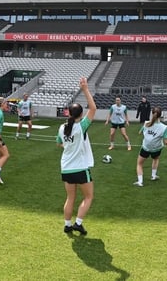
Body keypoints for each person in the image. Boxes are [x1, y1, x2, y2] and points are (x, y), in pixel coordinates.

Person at [57, 77, 97, 236]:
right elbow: (93, 108)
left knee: (70, 198)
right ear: (80, 114)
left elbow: (60, 143)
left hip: (66, 167)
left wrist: (70, 146)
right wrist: (85, 89)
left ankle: (67, 225)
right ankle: (78, 224)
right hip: (80, 167)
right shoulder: (81, 126)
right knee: (88, 197)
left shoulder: (62, 127)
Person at [133, 107, 167, 187]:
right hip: (156, 148)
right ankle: (153, 176)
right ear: (160, 115)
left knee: (139, 164)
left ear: (152, 113)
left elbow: (140, 132)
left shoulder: (146, 123)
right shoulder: (163, 127)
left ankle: (140, 181)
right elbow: (166, 141)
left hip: (146, 147)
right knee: (155, 159)